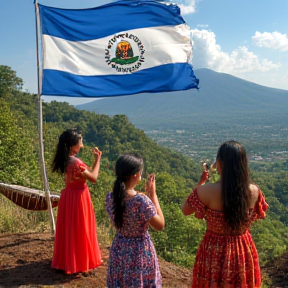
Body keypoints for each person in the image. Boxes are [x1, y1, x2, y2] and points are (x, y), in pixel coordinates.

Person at [182, 140, 269, 288]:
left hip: (213, 249)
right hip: (243, 247)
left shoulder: (206, 191)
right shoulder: (254, 191)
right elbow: (258, 215)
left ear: (220, 163)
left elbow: (185, 210)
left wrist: (201, 183)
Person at [105, 153, 165, 288]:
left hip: (119, 248)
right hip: (139, 251)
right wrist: (153, 195)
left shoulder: (110, 197)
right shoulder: (141, 201)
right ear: (136, 175)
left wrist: (147, 196)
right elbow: (160, 225)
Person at [51, 128, 102, 274]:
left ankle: (68, 259)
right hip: (78, 197)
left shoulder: (64, 159)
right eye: (80, 142)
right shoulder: (75, 162)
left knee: (70, 229)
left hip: (68, 196)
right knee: (80, 228)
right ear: (73, 145)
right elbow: (93, 178)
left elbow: (86, 176)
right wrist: (98, 160)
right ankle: (79, 261)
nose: (82, 145)